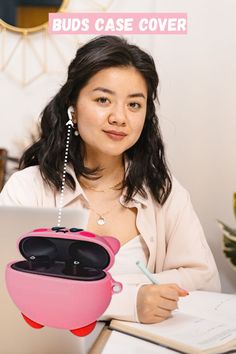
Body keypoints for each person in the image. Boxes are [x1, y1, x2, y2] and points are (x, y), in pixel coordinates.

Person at [0, 35, 221, 324]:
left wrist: (77, 290)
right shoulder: (27, 189)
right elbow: (11, 290)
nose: (119, 117)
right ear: (73, 108)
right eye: (103, 99)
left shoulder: (165, 192)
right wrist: (130, 300)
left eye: (134, 104)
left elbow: (204, 282)